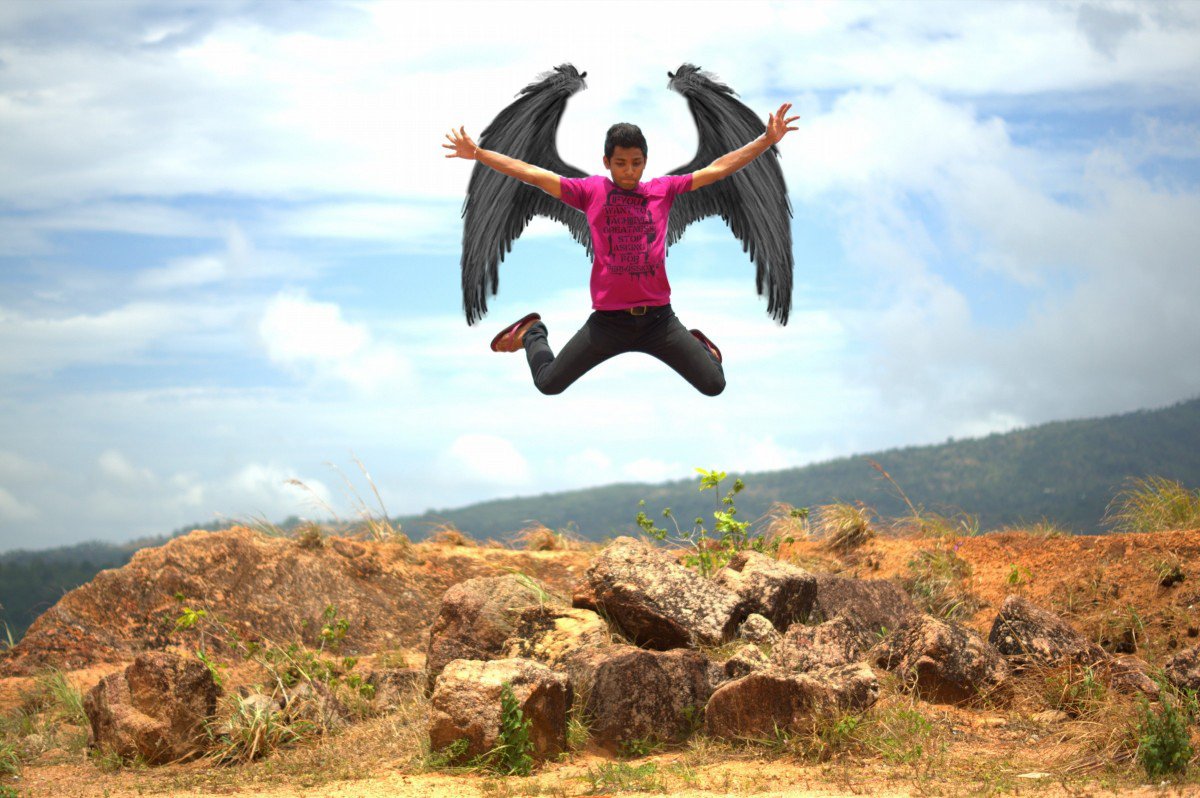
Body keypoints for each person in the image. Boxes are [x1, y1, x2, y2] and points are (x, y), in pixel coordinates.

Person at [442, 102, 798, 396]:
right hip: (608, 324)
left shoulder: (664, 189)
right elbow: (531, 173)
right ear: (606, 163)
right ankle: (533, 332)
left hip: (659, 321)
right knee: (549, 383)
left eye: (637, 163)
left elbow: (718, 169)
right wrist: (478, 154)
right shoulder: (589, 191)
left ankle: (701, 349)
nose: (629, 172)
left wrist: (766, 140)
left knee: (714, 384)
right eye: (620, 164)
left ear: (646, 160)